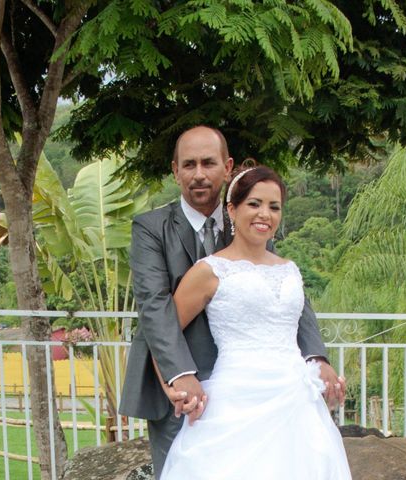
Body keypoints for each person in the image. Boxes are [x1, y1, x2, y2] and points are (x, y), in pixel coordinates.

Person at [119, 126, 345, 477]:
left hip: (269, 390)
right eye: (189, 164)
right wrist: (178, 376)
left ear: (227, 168)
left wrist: (316, 357)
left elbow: (285, 295)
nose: (198, 174)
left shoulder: (249, 219)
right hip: (183, 388)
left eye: (208, 163)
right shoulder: (151, 227)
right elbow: (154, 305)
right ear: (175, 170)